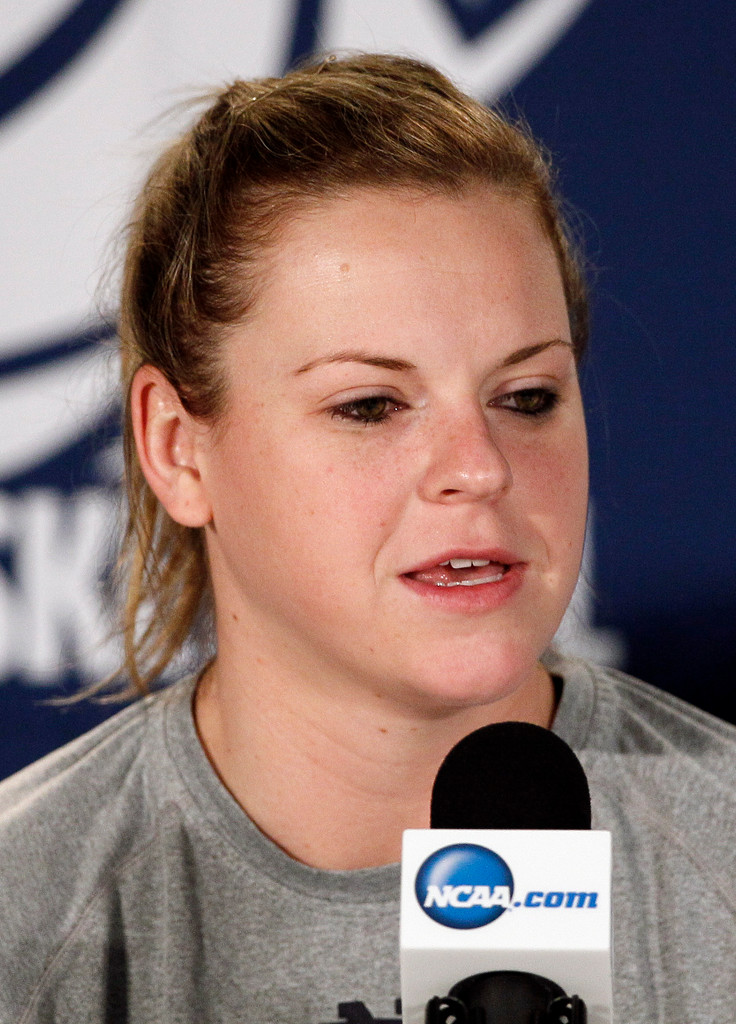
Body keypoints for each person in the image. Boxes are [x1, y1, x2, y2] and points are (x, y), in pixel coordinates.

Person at [0, 53, 734, 1024]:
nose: (479, 465)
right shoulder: (29, 918)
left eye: (525, 395)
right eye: (371, 404)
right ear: (177, 449)